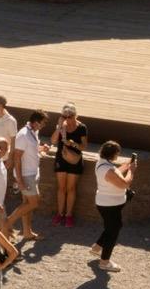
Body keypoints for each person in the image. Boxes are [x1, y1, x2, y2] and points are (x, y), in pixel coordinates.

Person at [91, 141, 135, 273]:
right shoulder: (108, 169)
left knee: (112, 227)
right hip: (110, 205)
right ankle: (104, 262)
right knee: (113, 231)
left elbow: (115, 173)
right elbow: (124, 184)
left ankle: (97, 247)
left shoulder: (103, 163)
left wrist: (126, 165)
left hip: (108, 203)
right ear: (114, 154)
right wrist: (132, 171)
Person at [7, 111, 48, 242]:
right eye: (42, 123)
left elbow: (30, 151)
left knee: (27, 203)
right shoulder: (24, 135)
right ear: (36, 122)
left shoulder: (33, 132)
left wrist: (41, 149)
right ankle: (6, 224)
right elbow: (17, 158)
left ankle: (27, 232)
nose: (43, 126)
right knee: (33, 202)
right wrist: (19, 180)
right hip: (26, 175)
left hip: (32, 173)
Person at [50, 103, 88, 228]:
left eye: (70, 116)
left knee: (71, 188)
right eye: (64, 116)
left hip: (75, 159)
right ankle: (60, 213)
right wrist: (59, 127)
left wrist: (72, 144)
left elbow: (83, 146)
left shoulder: (82, 127)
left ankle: (69, 215)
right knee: (61, 188)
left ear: (75, 115)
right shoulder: (62, 126)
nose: (67, 119)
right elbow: (53, 141)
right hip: (62, 158)